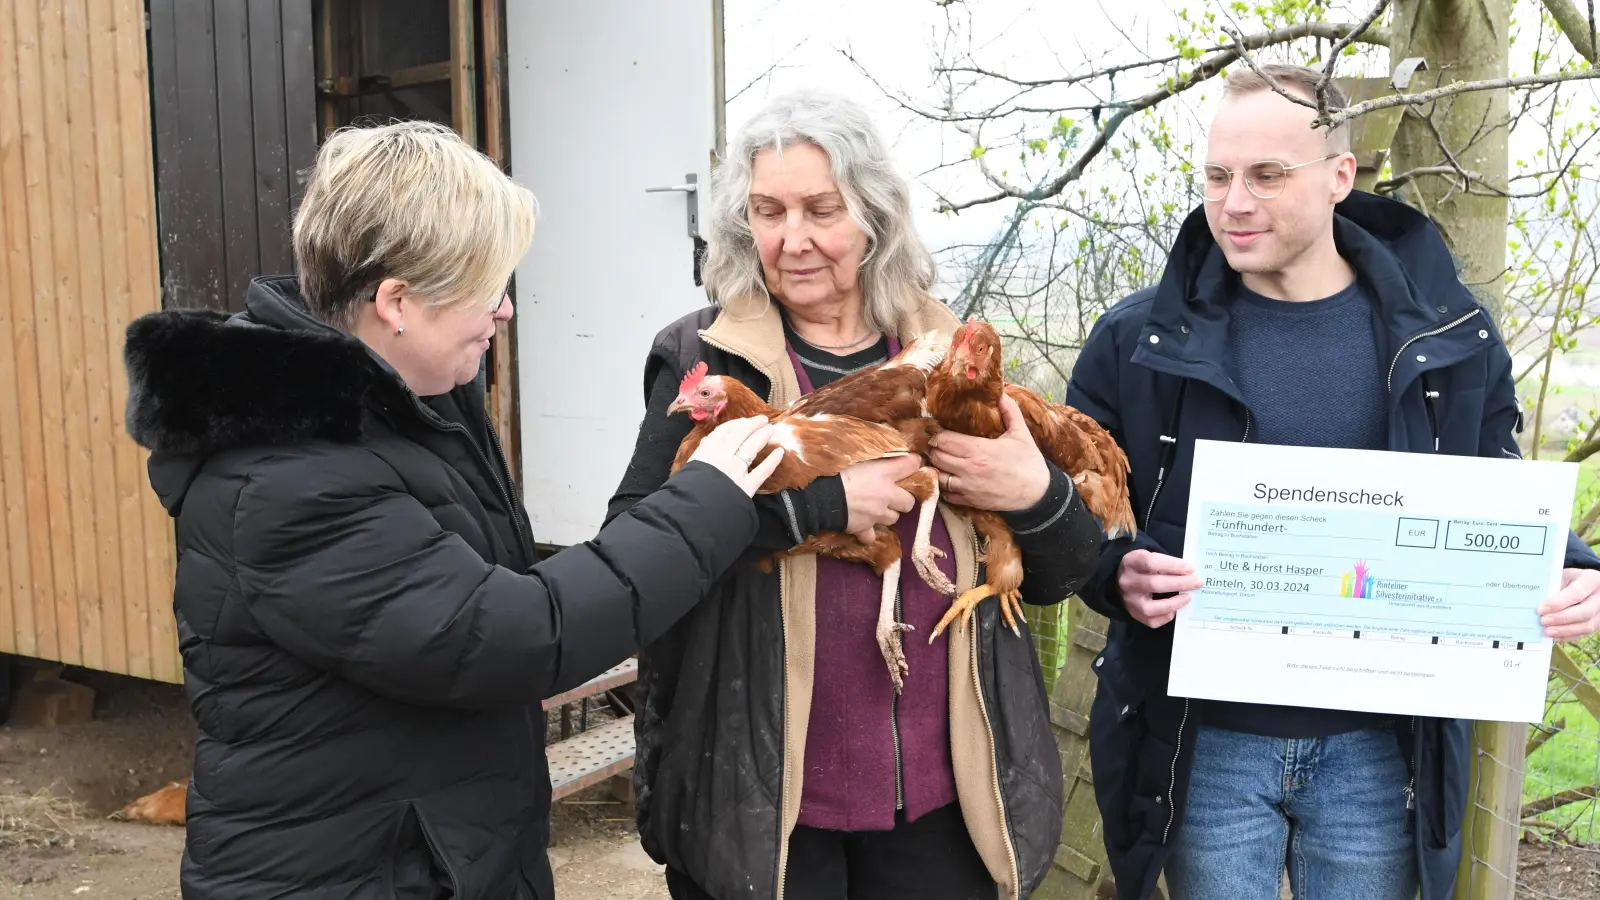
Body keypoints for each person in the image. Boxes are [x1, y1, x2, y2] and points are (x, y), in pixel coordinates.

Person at [120, 120, 786, 900]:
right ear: (397, 302)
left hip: (432, 848)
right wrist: (709, 498)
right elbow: (511, 634)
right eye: (487, 287)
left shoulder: (404, 405)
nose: (505, 310)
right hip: (352, 874)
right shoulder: (287, 473)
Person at [1066, 64, 1600, 900]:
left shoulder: (1450, 337)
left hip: (1379, 747)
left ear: (1339, 178)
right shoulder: (1137, 341)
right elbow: (1081, 518)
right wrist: (1116, 572)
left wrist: (1571, 569)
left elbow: (1489, 477)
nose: (1234, 201)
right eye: (1217, 176)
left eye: (1267, 176)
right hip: (1202, 743)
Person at [605, 87, 1106, 900]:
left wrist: (1036, 494)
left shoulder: (952, 358)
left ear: (873, 216)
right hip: (767, 801)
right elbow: (636, 546)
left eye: (820, 210)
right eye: (768, 212)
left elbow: (1065, 571)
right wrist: (813, 508)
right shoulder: (708, 357)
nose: (792, 240)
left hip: (943, 806)